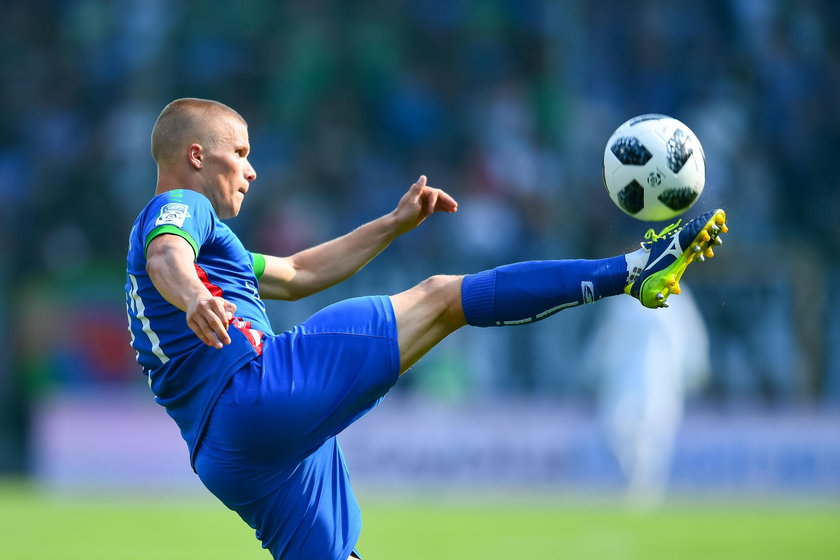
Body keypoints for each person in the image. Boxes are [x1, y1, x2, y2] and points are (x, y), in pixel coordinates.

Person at [125, 97, 728, 559]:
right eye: (241, 153)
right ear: (197, 156)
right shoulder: (179, 210)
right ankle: (632, 271)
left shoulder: (213, 243)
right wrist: (193, 300)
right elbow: (166, 257)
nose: (251, 170)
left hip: (228, 456)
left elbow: (298, 271)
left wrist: (391, 223)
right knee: (443, 298)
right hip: (258, 390)